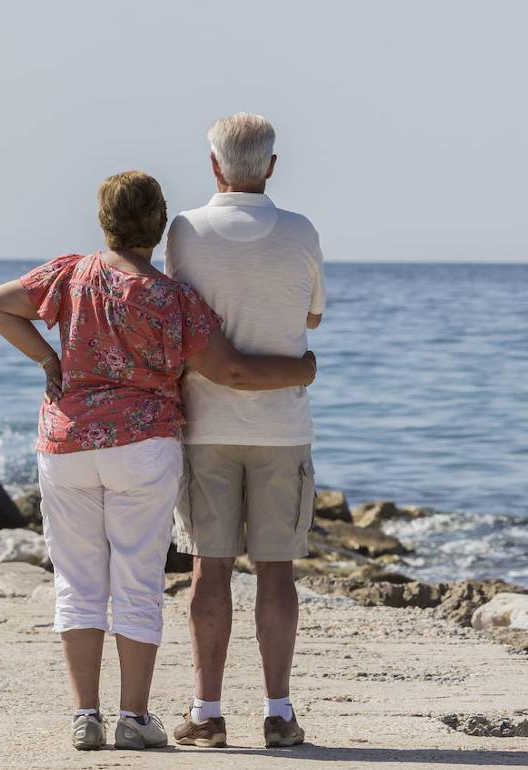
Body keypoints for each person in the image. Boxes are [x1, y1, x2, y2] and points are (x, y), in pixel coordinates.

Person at [0, 170, 317, 752]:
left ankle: (85, 715)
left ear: (104, 222)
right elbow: (231, 370)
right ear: (160, 228)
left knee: (78, 583)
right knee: (136, 582)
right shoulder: (173, 299)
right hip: (143, 444)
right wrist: (302, 370)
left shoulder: (69, 273)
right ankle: (133, 717)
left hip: (67, 445)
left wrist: (47, 360)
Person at [164, 112, 325, 749]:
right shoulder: (301, 230)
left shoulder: (184, 231)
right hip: (282, 427)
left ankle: (206, 714)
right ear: (272, 166)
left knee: (209, 569)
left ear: (213, 166)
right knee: (277, 572)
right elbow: (313, 314)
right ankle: (279, 713)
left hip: (204, 425)